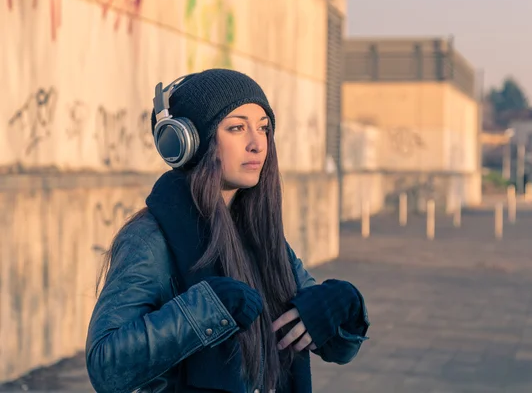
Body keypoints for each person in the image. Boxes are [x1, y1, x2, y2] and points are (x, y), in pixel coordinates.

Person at [85, 69, 370, 393]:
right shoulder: (150, 239)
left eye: (263, 128)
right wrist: (208, 308)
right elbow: (106, 367)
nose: (257, 144)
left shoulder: (264, 236)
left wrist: (342, 305)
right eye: (237, 128)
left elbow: (338, 349)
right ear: (188, 142)